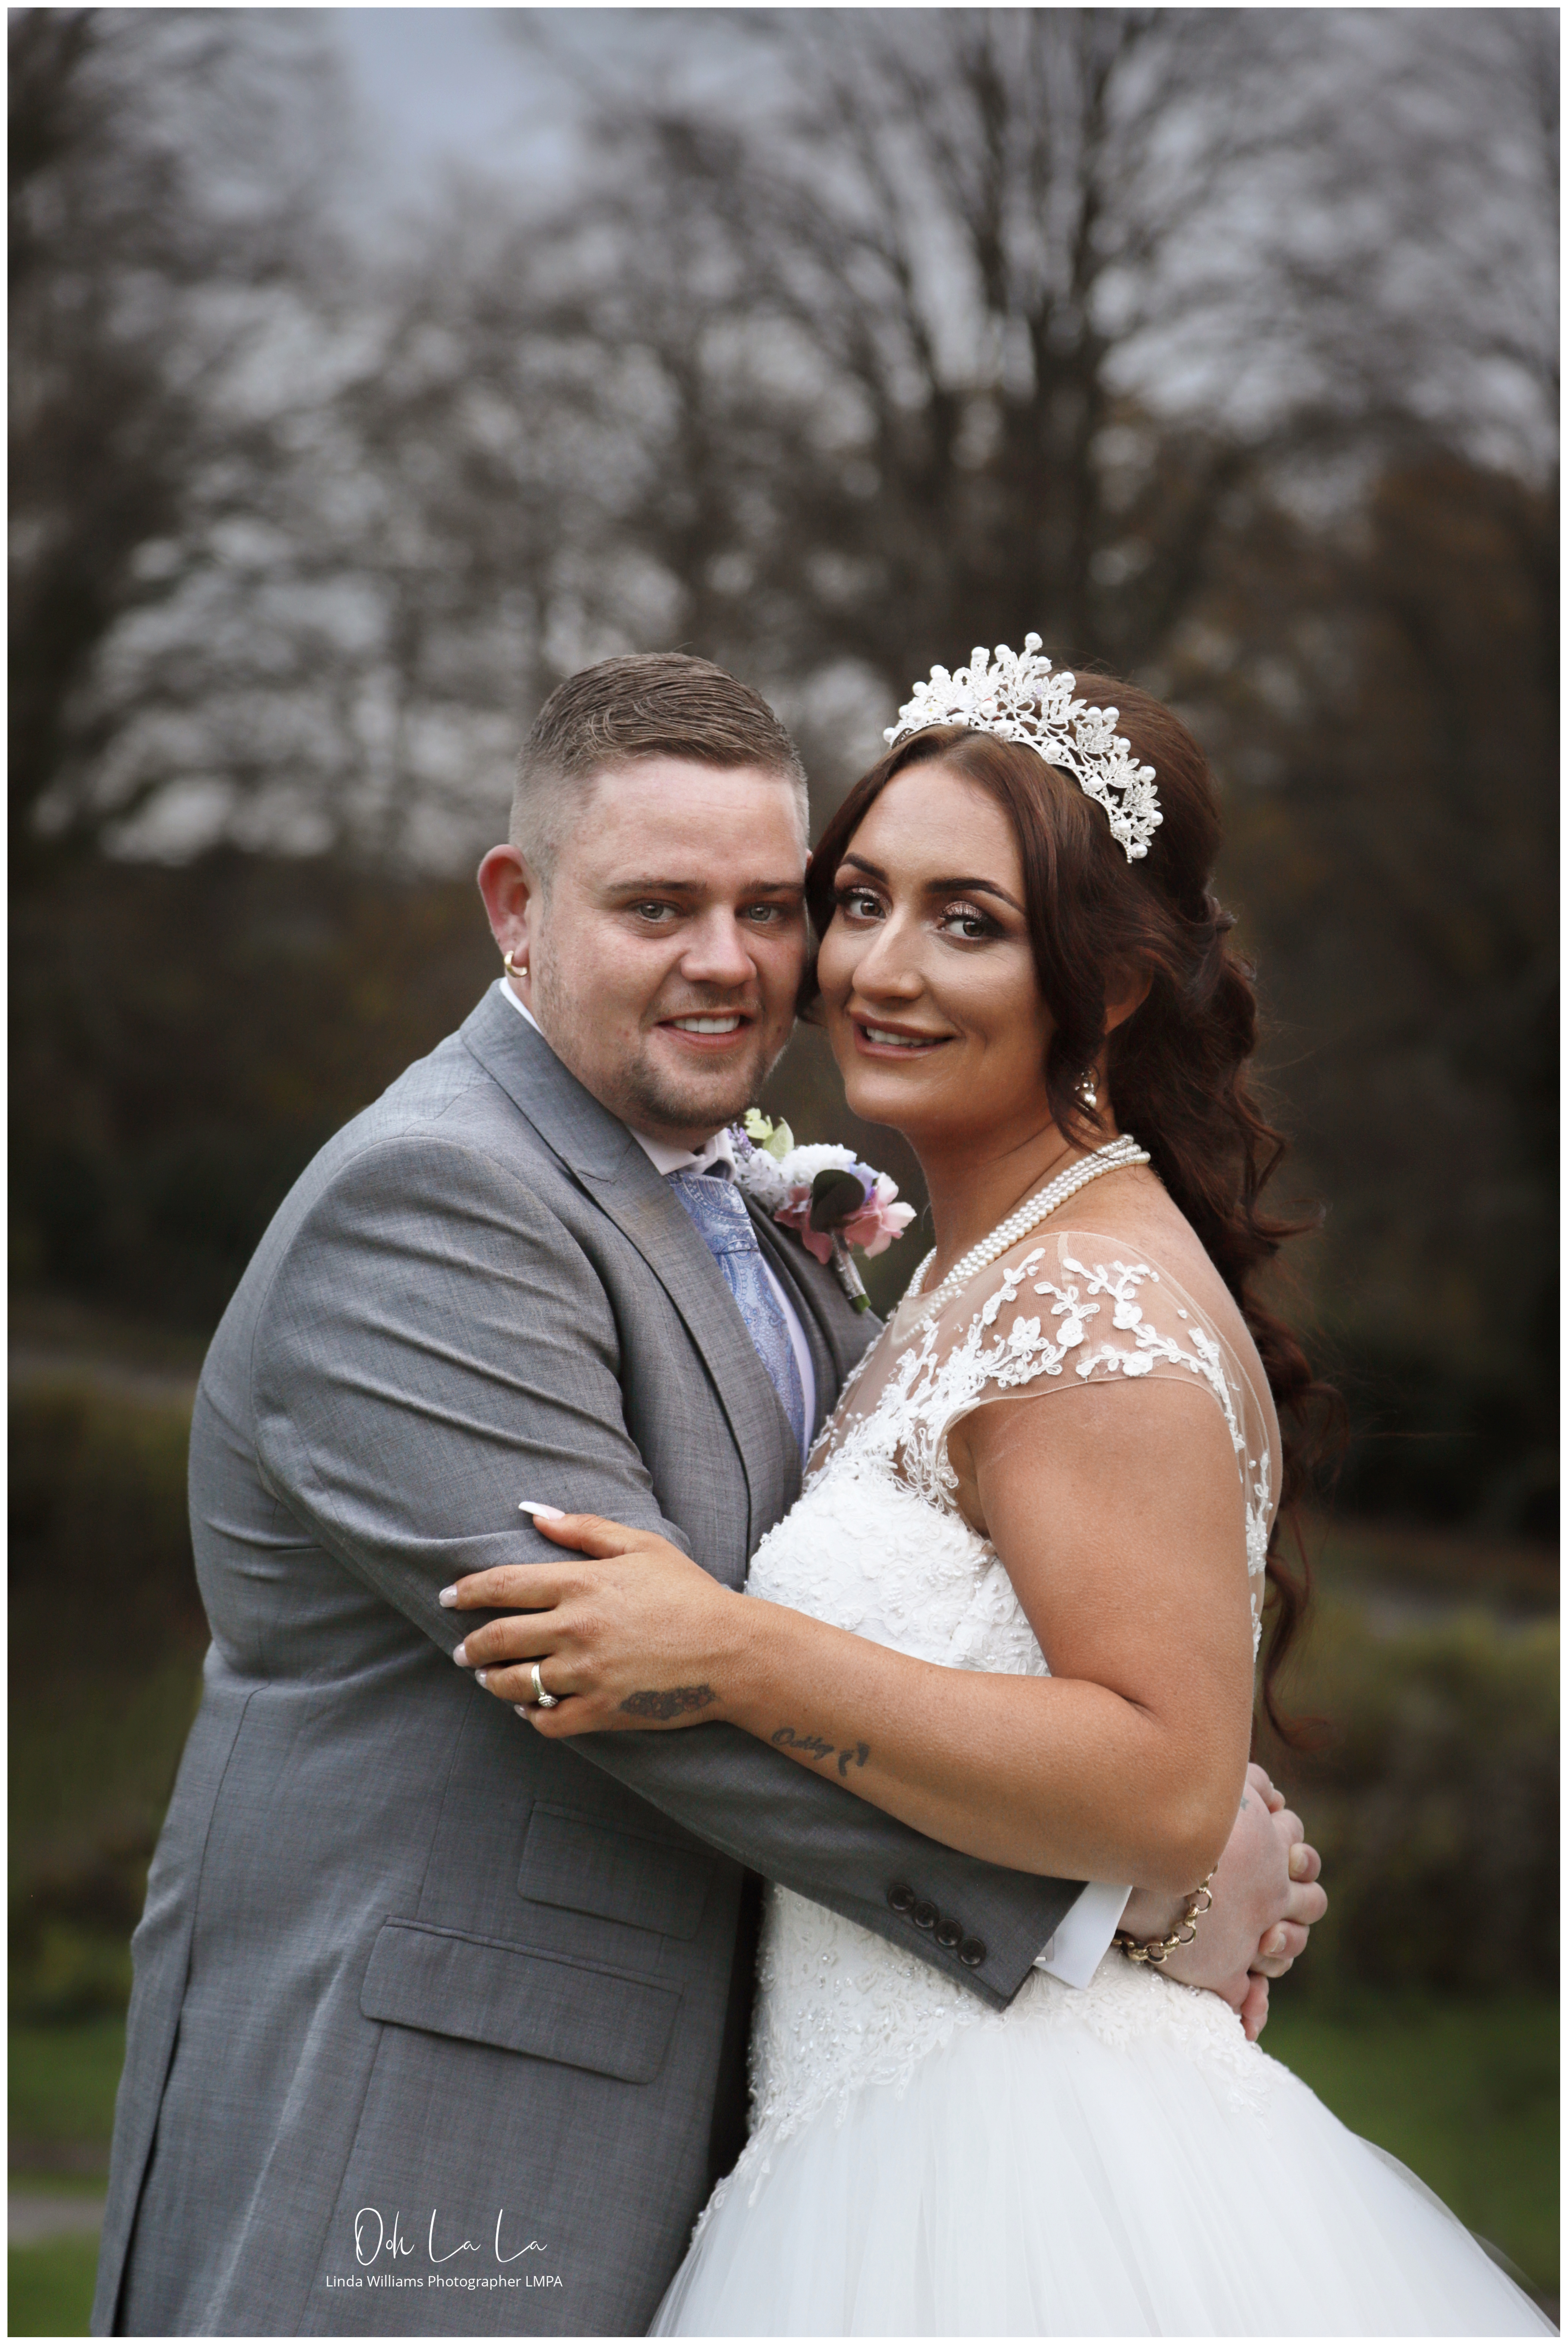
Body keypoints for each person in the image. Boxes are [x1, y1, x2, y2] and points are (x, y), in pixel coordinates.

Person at [94, 653, 1319, 2339]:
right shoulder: (434, 1198)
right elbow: (628, 1682)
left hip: (800, 2129)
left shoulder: (774, 1204)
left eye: (771, 907)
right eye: (658, 907)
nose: (733, 962)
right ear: (518, 910)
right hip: (428, 2120)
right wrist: (1124, 1893)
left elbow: (869, 1617)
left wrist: (1148, 1791)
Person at [444, 641, 1551, 2336]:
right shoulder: (981, 1269)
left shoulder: (1086, 1304)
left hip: (1015, 2169)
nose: (878, 968)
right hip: (872, 2125)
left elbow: (1160, 1782)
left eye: (968, 921)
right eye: (861, 900)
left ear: (1108, 982)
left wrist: (730, 1648)